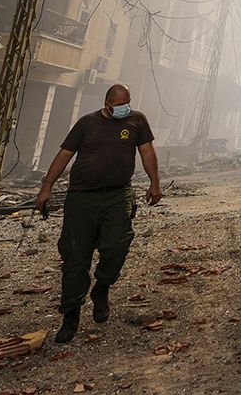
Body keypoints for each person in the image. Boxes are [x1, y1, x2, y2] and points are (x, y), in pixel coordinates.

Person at [35, 83, 162, 343]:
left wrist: (155, 182)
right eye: (120, 105)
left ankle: (102, 287)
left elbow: (147, 151)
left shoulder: (137, 121)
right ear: (107, 105)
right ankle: (71, 315)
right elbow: (64, 155)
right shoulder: (87, 123)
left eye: (128, 103)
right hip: (81, 199)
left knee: (117, 245)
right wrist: (46, 188)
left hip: (118, 195)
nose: (125, 109)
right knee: (75, 258)